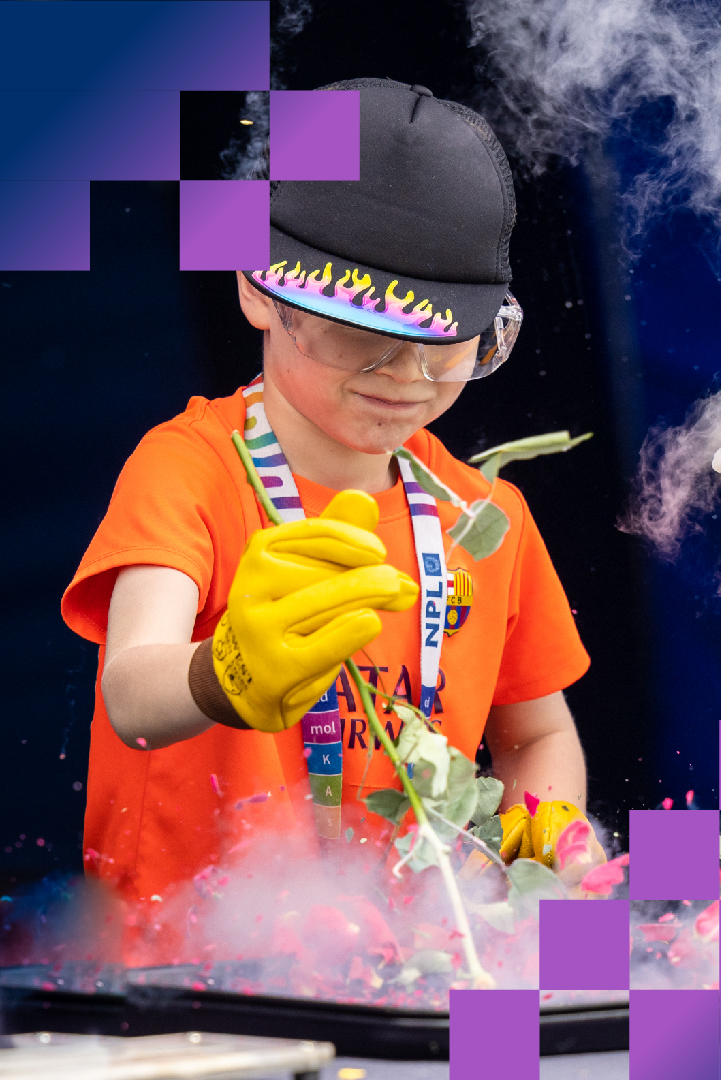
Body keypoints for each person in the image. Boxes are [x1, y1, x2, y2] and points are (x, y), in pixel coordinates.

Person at [61, 79, 599, 931]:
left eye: (445, 347)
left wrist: (549, 850)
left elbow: (537, 738)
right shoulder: (188, 468)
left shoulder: (482, 514)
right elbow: (131, 694)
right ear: (259, 292)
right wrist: (224, 673)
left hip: (407, 972)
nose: (404, 380)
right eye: (362, 336)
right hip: (185, 982)